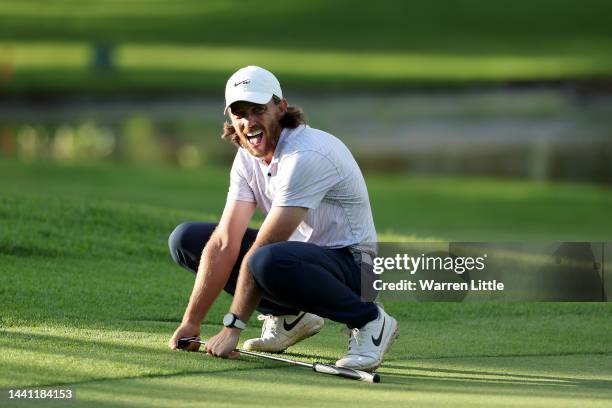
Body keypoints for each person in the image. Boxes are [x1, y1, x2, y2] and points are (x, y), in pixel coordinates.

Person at [167, 66, 398, 371]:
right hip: (298, 259)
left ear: (281, 108)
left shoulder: (304, 155)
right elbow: (225, 242)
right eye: (239, 113)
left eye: (258, 110)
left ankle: (370, 320)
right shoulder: (247, 157)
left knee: (266, 259)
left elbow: (268, 243)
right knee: (187, 240)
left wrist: (231, 328)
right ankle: (291, 318)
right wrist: (191, 323)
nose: (248, 122)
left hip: (355, 268)